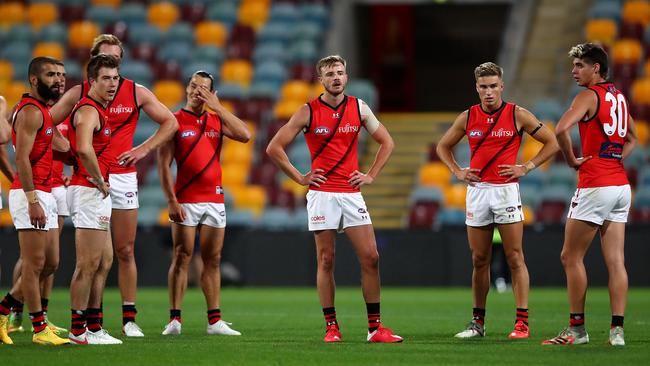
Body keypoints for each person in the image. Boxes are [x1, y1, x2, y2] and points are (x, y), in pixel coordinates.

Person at [266, 55, 402, 343]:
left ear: (347, 76)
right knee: (326, 259)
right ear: (321, 80)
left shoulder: (359, 107)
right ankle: (331, 327)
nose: (336, 78)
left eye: (340, 72)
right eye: (330, 74)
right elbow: (274, 147)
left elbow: (387, 142)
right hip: (322, 194)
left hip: (351, 194)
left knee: (371, 257)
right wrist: (300, 177)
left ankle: (375, 329)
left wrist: (371, 175)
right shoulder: (308, 112)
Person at [51, 34, 178, 337]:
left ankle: (126, 319)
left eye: (116, 60)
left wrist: (142, 149)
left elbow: (171, 122)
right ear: (93, 63)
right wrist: (70, 158)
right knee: (91, 258)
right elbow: (47, 123)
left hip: (120, 176)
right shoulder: (82, 94)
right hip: (93, 178)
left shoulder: (135, 91)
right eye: (105, 60)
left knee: (122, 250)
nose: (112, 69)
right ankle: (84, 324)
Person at [437, 62, 559, 339]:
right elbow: (443, 146)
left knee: (515, 257)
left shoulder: (518, 114)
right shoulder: (468, 117)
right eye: (483, 87)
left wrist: (526, 167)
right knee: (480, 259)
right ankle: (477, 324)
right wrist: (457, 171)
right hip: (478, 191)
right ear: (476, 88)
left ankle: (522, 324)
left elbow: (552, 142)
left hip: (506, 190)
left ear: (502, 86)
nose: (489, 92)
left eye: (493, 86)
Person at [542, 43, 637, 347]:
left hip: (596, 185)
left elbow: (560, 130)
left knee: (570, 256)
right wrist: (616, 159)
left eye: (580, 65)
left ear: (596, 68)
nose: (574, 71)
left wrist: (571, 160)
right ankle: (617, 332)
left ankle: (577, 330)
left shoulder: (588, 96)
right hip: (621, 186)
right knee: (616, 261)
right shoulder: (619, 97)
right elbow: (633, 137)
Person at [158, 71, 250, 336]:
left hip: (214, 199)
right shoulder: (173, 121)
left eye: (204, 88)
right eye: (194, 85)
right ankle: (175, 319)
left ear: (212, 92)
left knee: (213, 259)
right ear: (187, 88)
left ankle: (214, 321)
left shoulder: (216, 119)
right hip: (186, 199)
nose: (197, 90)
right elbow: (164, 166)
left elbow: (245, 135)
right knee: (182, 255)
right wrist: (171, 201)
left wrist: (218, 106)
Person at [0, 57, 69, 345]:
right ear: (34, 80)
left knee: (50, 263)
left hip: (47, 192)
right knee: (33, 264)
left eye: (61, 75)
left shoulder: (43, 111)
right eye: (52, 75)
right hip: (31, 194)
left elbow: (59, 147)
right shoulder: (30, 111)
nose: (59, 80)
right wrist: (32, 199)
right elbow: (22, 158)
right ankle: (39, 330)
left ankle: (4, 310)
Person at [66, 54, 123, 345]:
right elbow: (85, 149)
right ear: (92, 81)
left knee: (104, 260)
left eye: (115, 78)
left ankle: (94, 326)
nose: (112, 84)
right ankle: (78, 331)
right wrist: (99, 179)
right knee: (87, 263)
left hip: (94, 192)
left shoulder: (99, 109)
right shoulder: (88, 110)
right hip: (90, 192)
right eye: (106, 78)